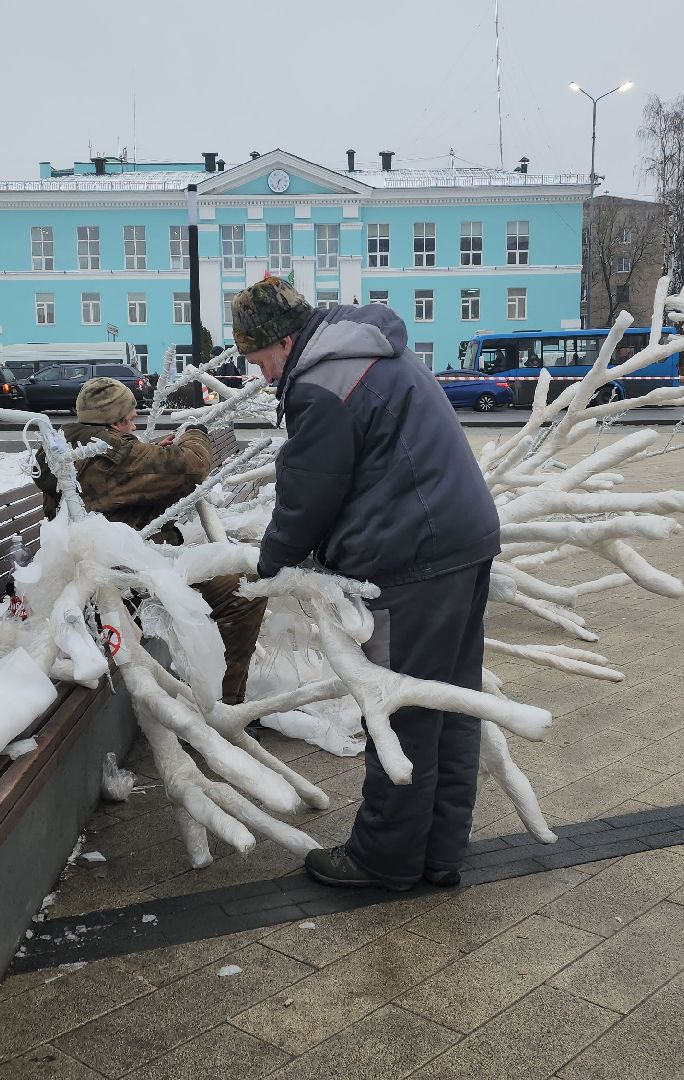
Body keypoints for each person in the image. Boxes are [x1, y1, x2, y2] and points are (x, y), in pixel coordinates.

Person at [230, 276, 500, 892]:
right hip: (460, 540)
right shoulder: (368, 351)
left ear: (284, 339)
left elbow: (308, 493)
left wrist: (268, 566)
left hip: (416, 557)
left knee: (399, 707)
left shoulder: (321, 382)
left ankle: (386, 858)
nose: (263, 377)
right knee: (448, 703)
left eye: (260, 359)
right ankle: (438, 853)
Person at [31, 377, 265, 706]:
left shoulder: (70, 444)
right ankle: (225, 705)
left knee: (229, 568)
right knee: (243, 591)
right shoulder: (113, 454)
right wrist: (195, 432)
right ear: (114, 422)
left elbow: (124, 475)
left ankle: (213, 686)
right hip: (123, 579)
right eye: (129, 420)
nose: (134, 425)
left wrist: (152, 451)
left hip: (101, 566)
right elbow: (192, 468)